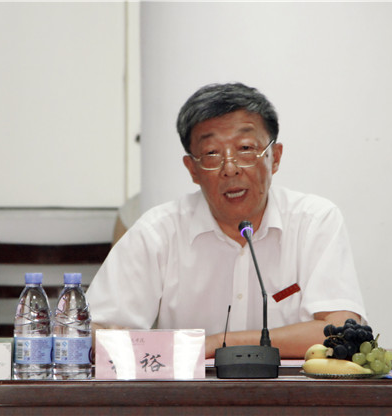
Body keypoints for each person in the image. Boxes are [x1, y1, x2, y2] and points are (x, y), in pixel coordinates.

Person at [87, 82, 366, 359]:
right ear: (192, 169)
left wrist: (216, 344)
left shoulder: (314, 222)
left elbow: (342, 332)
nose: (230, 168)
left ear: (275, 157)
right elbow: (91, 330)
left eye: (245, 148)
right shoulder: (158, 232)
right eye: (212, 154)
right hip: (190, 388)